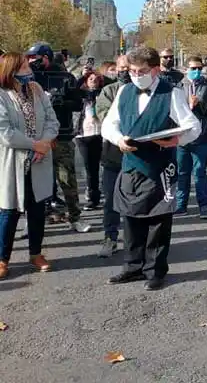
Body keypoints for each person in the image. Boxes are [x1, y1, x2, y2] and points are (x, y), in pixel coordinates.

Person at [101, 46, 201, 291]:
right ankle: (133, 266)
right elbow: (108, 125)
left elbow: (193, 126)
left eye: (142, 71)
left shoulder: (172, 93)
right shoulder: (124, 91)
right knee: (131, 217)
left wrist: (177, 140)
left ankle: (155, 270)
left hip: (160, 165)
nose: (136, 75)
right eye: (133, 71)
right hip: (131, 164)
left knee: (158, 221)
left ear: (155, 70)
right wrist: (118, 140)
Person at [0, 53, 59, 278]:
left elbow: (52, 120)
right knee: (9, 211)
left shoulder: (36, 90)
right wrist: (35, 145)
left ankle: (36, 253)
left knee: (37, 210)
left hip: (39, 160)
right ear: (10, 70)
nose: (28, 71)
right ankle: (2, 258)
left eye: (27, 66)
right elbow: (4, 132)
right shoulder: (2, 95)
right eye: (23, 67)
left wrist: (44, 143)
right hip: (12, 161)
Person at [25, 42, 90, 232]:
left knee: (67, 179)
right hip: (35, 138)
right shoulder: (25, 78)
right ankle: (33, 221)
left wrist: (61, 101)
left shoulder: (64, 77)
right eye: (29, 58)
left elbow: (79, 103)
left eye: (36, 58)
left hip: (61, 136)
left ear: (46, 57)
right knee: (34, 182)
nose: (32, 62)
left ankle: (75, 217)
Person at [95, 55, 131, 257]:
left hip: (137, 156)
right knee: (110, 199)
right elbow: (105, 117)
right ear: (117, 69)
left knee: (136, 201)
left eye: (129, 67)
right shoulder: (109, 91)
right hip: (113, 156)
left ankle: (135, 239)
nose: (125, 71)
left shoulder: (143, 91)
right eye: (122, 68)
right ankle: (110, 237)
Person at [175, 56, 207, 218]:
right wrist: (188, 106)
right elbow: (173, 111)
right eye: (193, 68)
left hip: (202, 136)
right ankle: (181, 205)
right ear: (186, 69)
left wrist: (200, 104)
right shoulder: (178, 87)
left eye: (199, 68)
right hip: (182, 137)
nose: (197, 71)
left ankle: (203, 205)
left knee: (200, 171)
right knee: (182, 172)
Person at [76, 70, 105, 211]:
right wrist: (84, 75)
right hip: (84, 135)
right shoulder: (81, 96)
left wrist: (101, 76)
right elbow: (74, 87)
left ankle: (108, 192)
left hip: (101, 134)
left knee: (106, 166)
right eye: (90, 79)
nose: (93, 81)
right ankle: (93, 198)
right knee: (91, 169)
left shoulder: (104, 93)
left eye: (96, 79)